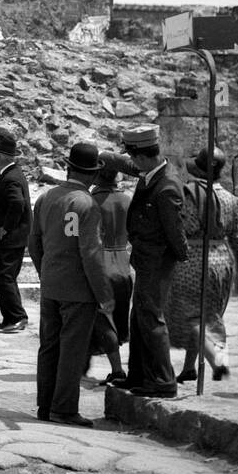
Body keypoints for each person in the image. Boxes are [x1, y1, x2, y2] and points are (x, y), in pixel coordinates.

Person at [27, 143, 113, 427]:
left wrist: (45, 272)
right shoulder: (86, 204)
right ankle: (63, 408)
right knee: (72, 350)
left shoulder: (47, 197)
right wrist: (103, 294)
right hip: (78, 289)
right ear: (91, 175)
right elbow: (90, 253)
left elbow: (34, 242)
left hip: (51, 284)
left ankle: (45, 404)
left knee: (49, 346)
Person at [117, 124, 188, 399]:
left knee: (151, 318)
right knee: (139, 317)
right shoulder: (152, 174)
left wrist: (181, 256)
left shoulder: (167, 185)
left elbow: (175, 230)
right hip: (145, 259)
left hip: (157, 261)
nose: (132, 162)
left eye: (133, 157)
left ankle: (163, 380)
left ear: (144, 156)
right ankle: (139, 374)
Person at [168, 147, 238, 382]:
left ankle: (216, 358)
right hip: (222, 260)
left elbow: (177, 227)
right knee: (209, 314)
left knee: (189, 315)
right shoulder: (231, 200)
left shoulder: (187, 195)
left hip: (192, 260)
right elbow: (237, 238)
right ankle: (191, 367)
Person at [89, 151, 136, 385]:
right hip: (124, 264)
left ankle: (117, 369)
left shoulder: (92, 201)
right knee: (119, 317)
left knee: (103, 319)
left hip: (101, 263)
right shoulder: (128, 200)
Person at [0, 129, 32, 332]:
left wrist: (5, 228)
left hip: (9, 240)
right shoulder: (10, 174)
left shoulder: (11, 177)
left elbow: (17, 204)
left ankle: (17, 317)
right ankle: (9, 317)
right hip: (9, 240)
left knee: (4, 278)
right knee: (3, 278)